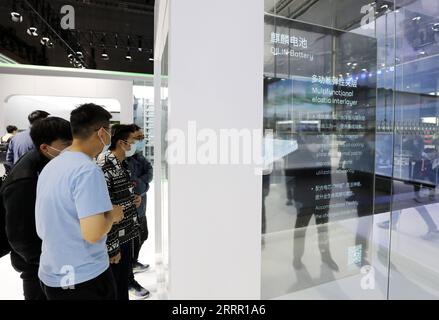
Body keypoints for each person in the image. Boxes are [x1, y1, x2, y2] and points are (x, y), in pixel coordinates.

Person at [35, 103, 124, 300]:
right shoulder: (87, 170)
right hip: (84, 277)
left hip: (53, 272)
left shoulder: (52, 165)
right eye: (109, 131)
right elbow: (93, 233)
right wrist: (112, 215)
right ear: (101, 132)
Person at [0, 117, 73, 300]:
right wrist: (43, 261)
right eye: (66, 144)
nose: (72, 149)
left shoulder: (48, 162)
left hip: (51, 255)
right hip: (36, 263)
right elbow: (20, 235)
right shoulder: (25, 179)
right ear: (44, 147)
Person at [97, 124, 144, 300]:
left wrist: (133, 199)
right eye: (136, 140)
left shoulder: (122, 164)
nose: (138, 144)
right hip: (114, 240)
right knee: (115, 288)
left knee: (122, 282)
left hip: (126, 235)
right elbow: (104, 209)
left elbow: (117, 196)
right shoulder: (104, 165)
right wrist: (112, 247)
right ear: (122, 142)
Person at [125, 124, 153, 299]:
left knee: (143, 235)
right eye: (137, 139)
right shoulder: (117, 160)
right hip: (126, 213)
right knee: (128, 245)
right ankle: (128, 280)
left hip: (140, 208)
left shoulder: (138, 156)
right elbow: (132, 184)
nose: (139, 143)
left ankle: (133, 263)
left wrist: (142, 184)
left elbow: (149, 172)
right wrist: (143, 185)